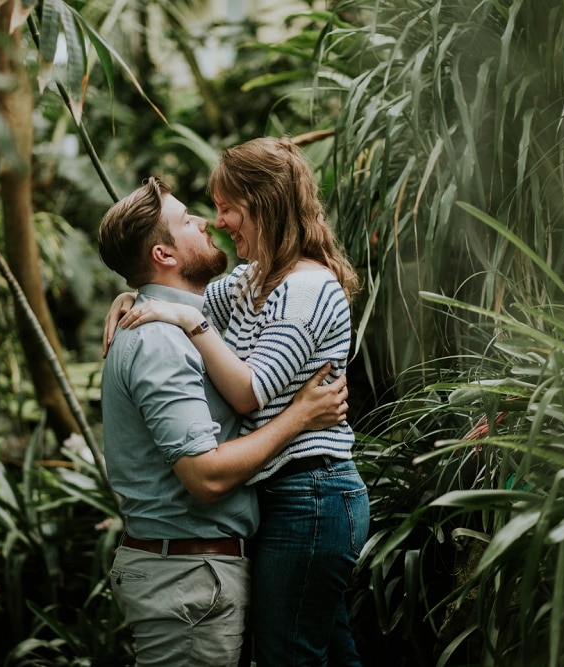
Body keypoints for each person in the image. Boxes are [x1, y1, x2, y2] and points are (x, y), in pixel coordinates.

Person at [104, 137, 369, 666]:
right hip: (284, 493)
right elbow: (182, 292)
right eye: (209, 211)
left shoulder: (307, 288)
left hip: (311, 489)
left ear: (264, 205)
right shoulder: (252, 281)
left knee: (289, 654)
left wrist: (188, 321)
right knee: (327, 651)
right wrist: (132, 295)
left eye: (228, 208)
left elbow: (249, 392)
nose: (218, 221)